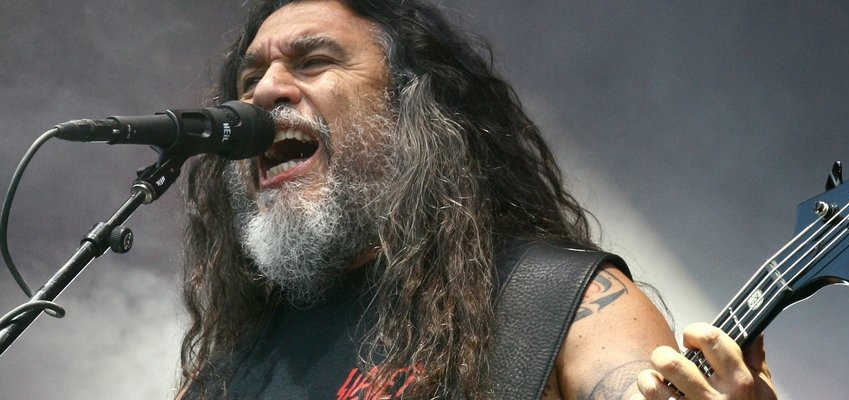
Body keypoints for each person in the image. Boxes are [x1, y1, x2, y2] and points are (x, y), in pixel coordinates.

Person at [176, 1, 776, 399]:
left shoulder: (561, 301)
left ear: (411, 107)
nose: (265, 92)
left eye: (312, 62)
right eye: (250, 79)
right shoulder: (229, 367)